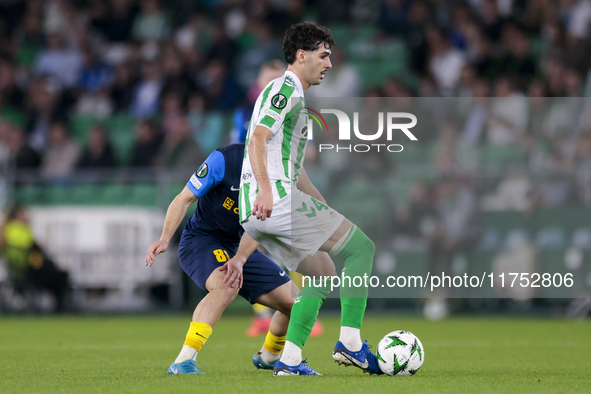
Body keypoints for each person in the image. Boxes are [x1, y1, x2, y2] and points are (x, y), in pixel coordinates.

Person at [231, 21, 381, 376]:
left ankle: (290, 361)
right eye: (323, 55)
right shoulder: (284, 88)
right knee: (362, 249)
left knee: (324, 272)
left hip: (262, 208)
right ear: (301, 56)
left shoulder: (295, 98)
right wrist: (267, 191)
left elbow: (296, 172)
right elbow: (256, 139)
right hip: (275, 200)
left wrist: (324, 207)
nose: (329, 64)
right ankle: (351, 344)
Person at [145, 143, 298, 375]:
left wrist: (240, 258)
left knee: (297, 303)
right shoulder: (224, 160)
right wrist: (165, 239)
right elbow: (183, 199)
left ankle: (269, 356)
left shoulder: (281, 176)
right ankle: (183, 361)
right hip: (202, 240)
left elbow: (259, 226)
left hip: (240, 246)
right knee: (226, 286)